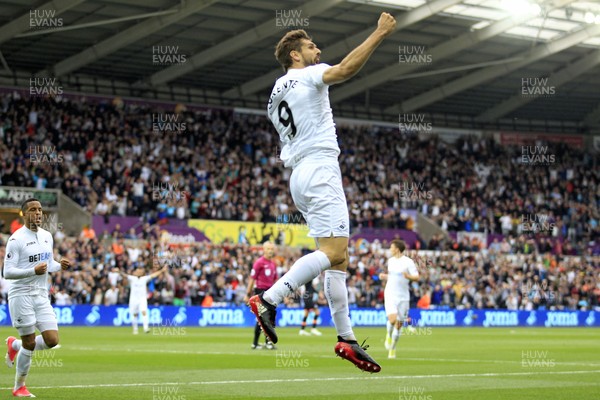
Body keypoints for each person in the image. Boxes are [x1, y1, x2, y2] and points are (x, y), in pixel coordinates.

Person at [248, 12, 397, 373]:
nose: (318, 50)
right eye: (311, 46)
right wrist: (379, 32)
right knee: (332, 252)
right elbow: (345, 69)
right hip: (319, 168)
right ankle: (270, 299)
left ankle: (346, 339)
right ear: (295, 55)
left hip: (299, 174)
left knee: (338, 259)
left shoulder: (274, 94)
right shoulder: (308, 75)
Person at [3, 198, 72, 397]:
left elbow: (48, 263)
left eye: (40, 210)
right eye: (33, 210)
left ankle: (14, 345)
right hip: (21, 295)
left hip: (41, 295)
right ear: (24, 214)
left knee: (52, 339)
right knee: (30, 343)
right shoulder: (16, 239)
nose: (38, 213)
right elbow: (7, 272)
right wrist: (32, 270)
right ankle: (19, 386)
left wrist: (60, 265)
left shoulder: (47, 236)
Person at [379, 240, 420, 359]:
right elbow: (393, 277)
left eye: (391, 247)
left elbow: (416, 277)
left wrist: (408, 276)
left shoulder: (408, 262)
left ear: (397, 249)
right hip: (390, 294)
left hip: (403, 296)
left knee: (399, 324)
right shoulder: (390, 261)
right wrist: (385, 276)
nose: (390, 249)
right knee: (392, 320)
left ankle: (392, 348)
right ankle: (388, 335)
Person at [244, 242, 278, 350]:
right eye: (268, 248)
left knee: (270, 319)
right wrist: (247, 294)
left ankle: (267, 343)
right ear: (263, 250)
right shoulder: (259, 263)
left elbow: (275, 279)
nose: (270, 250)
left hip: (270, 292)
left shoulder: (273, 264)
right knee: (262, 319)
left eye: (272, 248)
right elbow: (252, 278)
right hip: (260, 291)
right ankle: (255, 343)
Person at [117, 264, 167, 334]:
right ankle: (135, 329)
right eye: (137, 271)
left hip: (142, 299)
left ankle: (146, 328)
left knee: (144, 312)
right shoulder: (132, 278)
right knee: (135, 314)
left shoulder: (144, 279)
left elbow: (153, 275)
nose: (138, 272)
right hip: (133, 299)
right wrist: (119, 271)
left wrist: (161, 270)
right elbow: (124, 275)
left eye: (139, 271)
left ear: (141, 273)